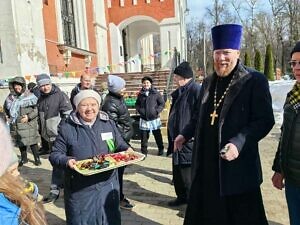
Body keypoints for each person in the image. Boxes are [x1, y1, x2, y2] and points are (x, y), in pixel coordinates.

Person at [174, 24, 275, 224]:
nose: (221, 58)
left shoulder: (254, 80)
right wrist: (185, 133)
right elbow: (199, 116)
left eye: (226, 53)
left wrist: (239, 142)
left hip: (237, 168)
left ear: (237, 53)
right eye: (218, 52)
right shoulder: (208, 81)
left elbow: (265, 120)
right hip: (207, 166)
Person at [49, 90, 132, 225]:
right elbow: (55, 155)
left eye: (93, 104)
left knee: (109, 219)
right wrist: (67, 161)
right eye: (84, 105)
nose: (89, 109)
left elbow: (119, 143)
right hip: (81, 187)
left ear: (98, 106)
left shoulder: (108, 123)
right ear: (77, 107)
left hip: (107, 185)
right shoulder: (67, 127)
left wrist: (127, 149)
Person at [271, 41, 300, 225]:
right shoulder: (292, 96)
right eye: (294, 63)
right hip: (293, 180)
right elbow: (285, 135)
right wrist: (279, 168)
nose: (297, 68)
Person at [166, 62, 201, 207]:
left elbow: (198, 116)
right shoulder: (180, 91)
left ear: (184, 77)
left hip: (188, 141)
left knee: (188, 176)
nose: (174, 79)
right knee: (178, 173)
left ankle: (193, 204)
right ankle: (181, 197)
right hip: (177, 140)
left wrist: (189, 135)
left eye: (176, 76)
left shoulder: (196, 90)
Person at [0, 120, 47, 225]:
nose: (17, 174)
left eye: (17, 169)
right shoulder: (4, 214)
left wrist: (32, 192)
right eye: (12, 171)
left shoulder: (7, 190)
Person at [36, 74, 73, 203]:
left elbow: (67, 115)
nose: (45, 88)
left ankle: (55, 189)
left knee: (59, 163)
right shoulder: (40, 99)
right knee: (57, 163)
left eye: (47, 84)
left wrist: (59, 130)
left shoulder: (60, 96)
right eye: (42, 86)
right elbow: (40, 119)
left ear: (51, 84)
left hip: (60, 136)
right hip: (49, 137)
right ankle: (61, 184)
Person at [102, 75, 134, 210]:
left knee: (119, 173)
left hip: (124, 140)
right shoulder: (110, 103)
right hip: (118, 144)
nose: (124, 89)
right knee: (116, 174)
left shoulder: (118, 99)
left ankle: (117, 196)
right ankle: (117, 198)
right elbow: (112, 128)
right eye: (122, 87)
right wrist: (122, 145)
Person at [4, 76, 41, 167]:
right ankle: (24, 159)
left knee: (32, 141)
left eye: (19, 85)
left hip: (28, 123)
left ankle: (37, 158)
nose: (17, 87)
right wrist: (8, 117)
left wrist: (28, 117)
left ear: (23, 85)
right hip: (16, 124)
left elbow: (36, 109)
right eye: (15, 85)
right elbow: (6, 109)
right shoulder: (10, 98)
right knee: (21, 143)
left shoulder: (30, 96)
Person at [135, 76, 165, 156]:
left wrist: (157, 111)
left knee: (157, 135)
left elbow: (162, 103)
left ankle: (161, 149)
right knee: (144, 136)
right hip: (144, 118)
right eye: (144, 83)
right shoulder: (140, 94)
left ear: (150, 84)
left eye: (147, 82)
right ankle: (144, 151)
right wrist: (140, 111)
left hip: (154, 118)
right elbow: (137, 104)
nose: (146, 84)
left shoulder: (156, 93)